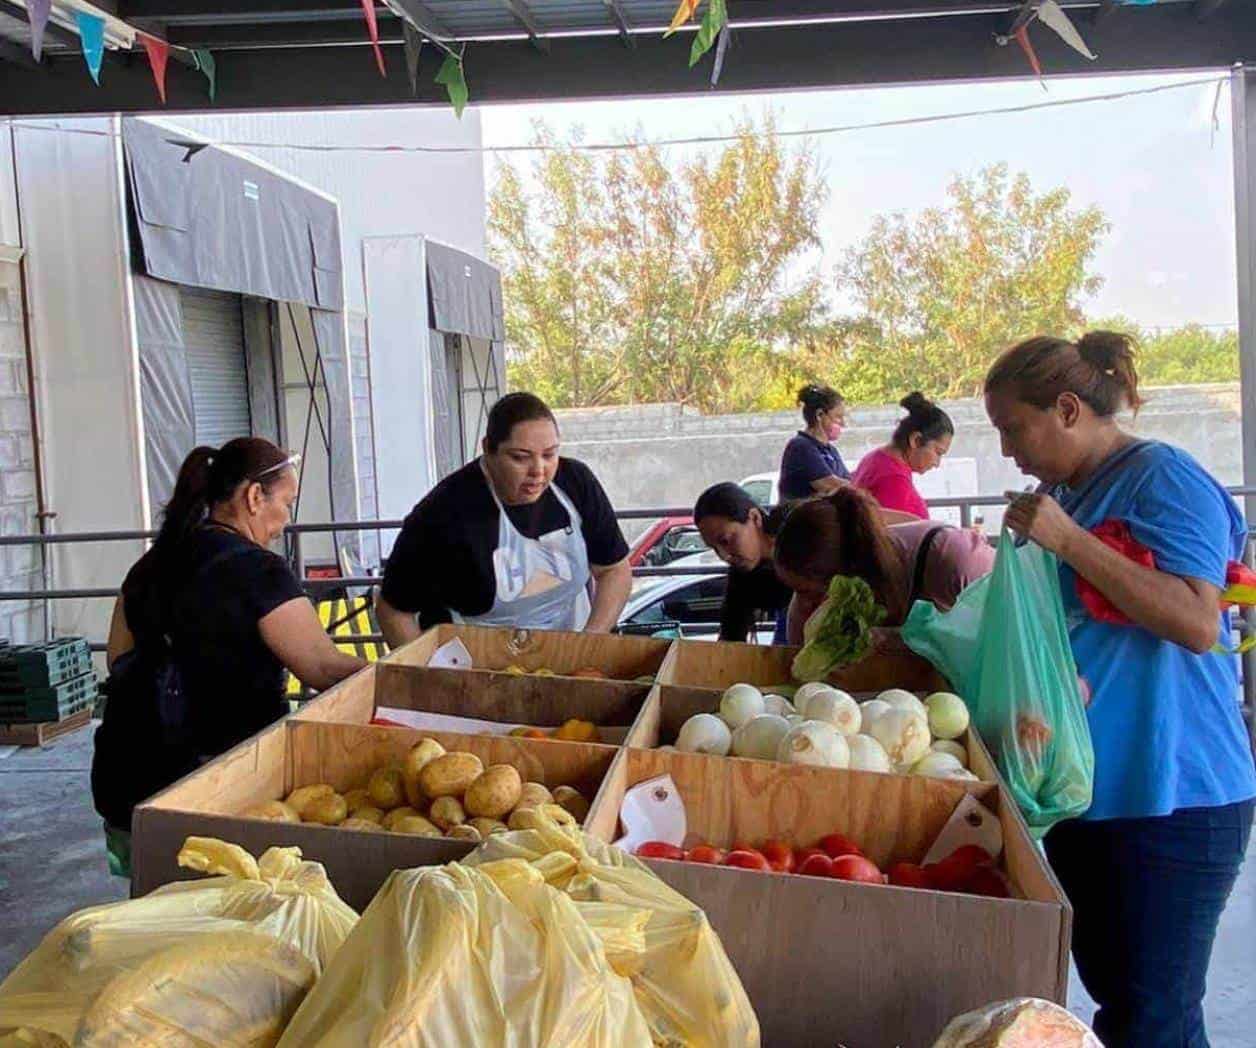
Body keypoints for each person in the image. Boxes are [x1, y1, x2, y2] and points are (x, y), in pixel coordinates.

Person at [984, 331, 1255, 1048]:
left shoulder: (1164, 478)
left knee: (1152, 1017)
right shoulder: (1064, 493)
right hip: (1090, 794)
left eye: (1015, 429)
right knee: (1127, 1008)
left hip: (1175, 799)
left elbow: (1198, 621)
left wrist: (1070, 541)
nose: (1009, 451)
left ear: (1068, 408)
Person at [94, 438, 366, 874]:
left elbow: (116, 659)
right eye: (287, 502)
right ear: (254, 497)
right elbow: (323, 666)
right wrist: (399, 673)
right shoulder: (259, 571)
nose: (283, 522)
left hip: (134, 786)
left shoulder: (149, 567)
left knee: (159, 919)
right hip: (223, 789)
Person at [378, 392, 632, 646]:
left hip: (571, 646)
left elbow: (614, 571)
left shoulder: (575, 482)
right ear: (488, 449)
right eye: (520, 457)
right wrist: (424, 674)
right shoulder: (443, 513)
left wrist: (590, 642)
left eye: (549, 454)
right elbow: (394, 611)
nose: (538, 471)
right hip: (474, 661)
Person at [772, 486, 994, 643]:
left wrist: (898, 639)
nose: (804, 605)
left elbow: (1004, 636)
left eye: (807, 593)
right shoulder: (813, 588)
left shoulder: (955, 560)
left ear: (846, 576)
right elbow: (797, 654)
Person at [693, 482, 794, 644]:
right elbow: (729, 641)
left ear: (755, 518)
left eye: (726, 540)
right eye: (714, 548)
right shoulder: (741, 577)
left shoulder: (803, 537)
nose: (724, 556)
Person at [851, 392, 954, 519]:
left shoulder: (876, 458)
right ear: (916, 440)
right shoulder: (892, 478)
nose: (937, 464)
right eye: (938, 453)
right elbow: (893, 536)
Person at [778, 384, 850, 501]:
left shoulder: (830, 450)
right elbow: (829, 485)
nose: (843, 423)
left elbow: (849, 480)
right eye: (838, 417)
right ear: (820, 415)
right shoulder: (800, 446)